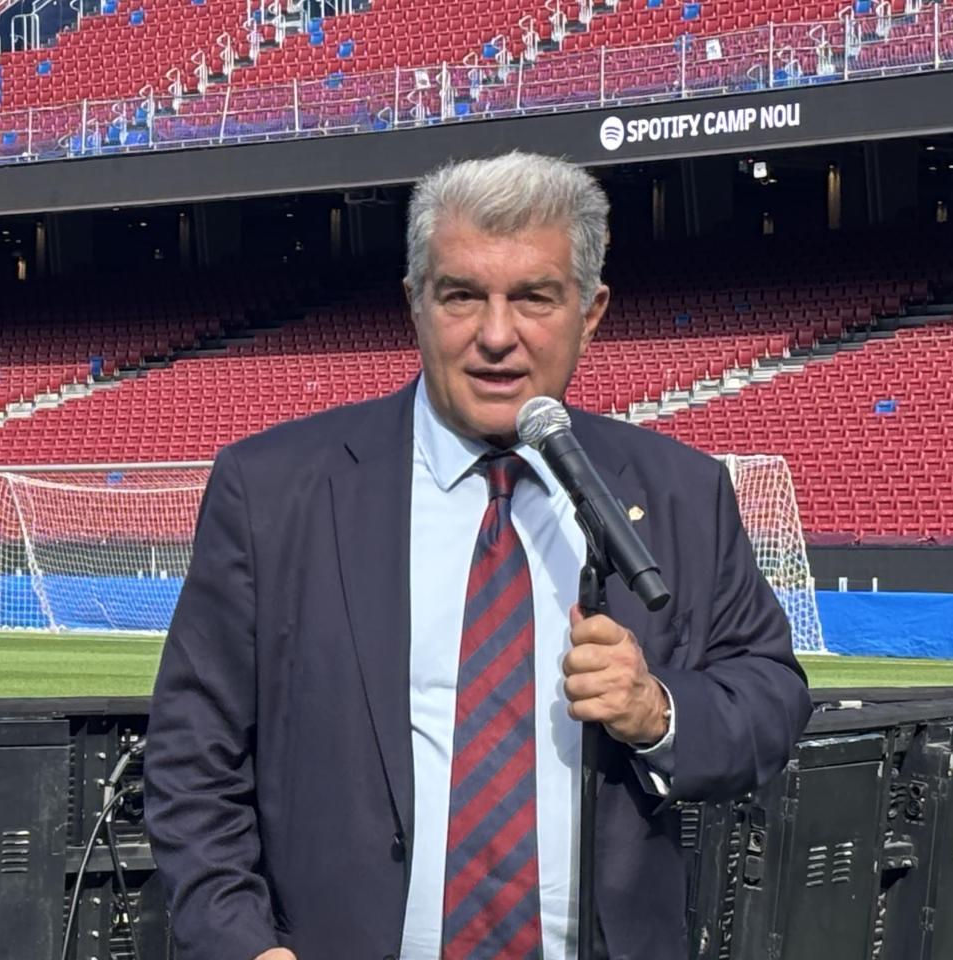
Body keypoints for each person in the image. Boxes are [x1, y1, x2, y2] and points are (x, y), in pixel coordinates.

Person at [144, 151, 812, 960]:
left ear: (590, 311)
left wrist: (657, 712)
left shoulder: (681, 492)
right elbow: (191, 755)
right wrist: (242, 945)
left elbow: (770, 696)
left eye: (534, 297)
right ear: (415, 305)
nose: (497, 336)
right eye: (462, 295)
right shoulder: (272, 490)